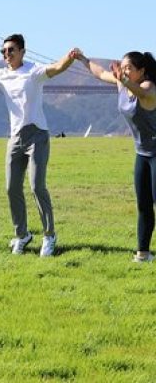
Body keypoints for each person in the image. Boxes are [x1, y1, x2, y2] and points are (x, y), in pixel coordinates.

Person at [0, 34, 78, 257]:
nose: (6, 55)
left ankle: (49, 235)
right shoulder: (1, 75)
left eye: (11, 50)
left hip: (37, 134)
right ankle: (22, 235)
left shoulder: (34, 71)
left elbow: (57, 68)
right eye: (3, 52)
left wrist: (70, 57)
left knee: (37, 186)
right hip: (15, 137)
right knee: (11, 188)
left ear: (22, 51)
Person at [75, 50, 156, 262]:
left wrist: (124, 80)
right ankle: (143, 254)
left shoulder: (148, 86)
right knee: (143, 205)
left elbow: (142, 94)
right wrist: (83, 59)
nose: (125, 70)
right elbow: (100, 73)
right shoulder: (123, 82)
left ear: (142, 71)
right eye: (123, 67)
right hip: (142, 153)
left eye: (129, 68)